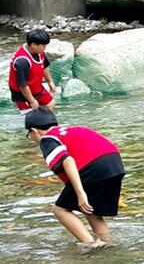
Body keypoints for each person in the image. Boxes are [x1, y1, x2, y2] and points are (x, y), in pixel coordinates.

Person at [24, 107, 125, 248]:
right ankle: (107, 243)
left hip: (93, 166)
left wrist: (80, 192)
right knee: (90, 210)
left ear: (34, 130)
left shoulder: (47, 138)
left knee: (60, 210)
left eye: (29, 135)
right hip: (114, 163)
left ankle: (91, 246)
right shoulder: (73, 129)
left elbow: (67, 160)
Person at [9, 29, 56, 113]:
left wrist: (50, 81)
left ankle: (43, 124)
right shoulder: (22, 61)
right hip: (22, 93)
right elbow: (22, 84)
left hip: (36, 87)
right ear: (34, 45)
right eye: (43, 45)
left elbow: (44, 65)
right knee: (31, 116)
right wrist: (32, 101)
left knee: (50, 104)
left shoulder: (39, 51)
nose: (45, 48)